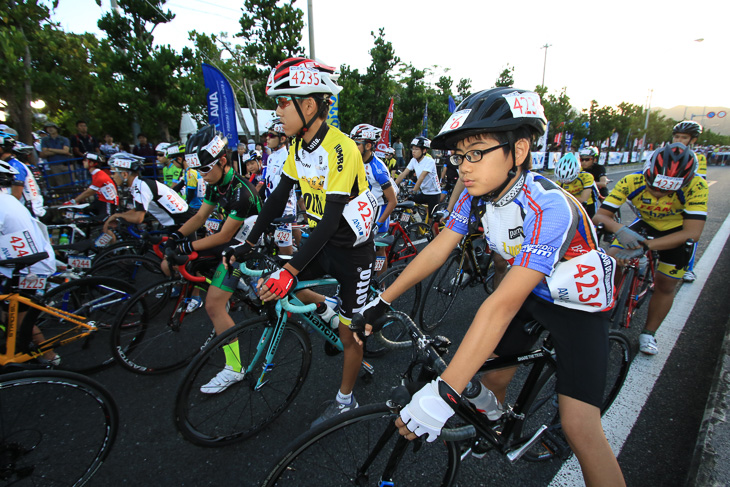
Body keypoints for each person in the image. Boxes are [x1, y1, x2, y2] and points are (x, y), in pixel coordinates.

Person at [360, 87, 625, 486]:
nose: (464, 167)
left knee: (580, 427)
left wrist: (442, 393)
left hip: (577, 308)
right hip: (532, 292)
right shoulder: (478, 194)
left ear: (518, 151)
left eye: (476, 152)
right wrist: (380, 301)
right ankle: (497, 423)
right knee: (491, 380)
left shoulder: (550, 206)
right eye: (459, 155)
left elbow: (500, 305)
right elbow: (437, 250)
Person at [228, 57, 376, 425]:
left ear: (308, 105)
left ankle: (346, 401)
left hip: (352, 254)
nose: (278, 111)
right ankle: (327, 307)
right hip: (321, 243)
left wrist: (291, 269)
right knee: (279, 282)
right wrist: (247, 242)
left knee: (349, 335)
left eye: (282, 102)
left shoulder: (341, 148)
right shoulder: (298, 147)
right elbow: (278, 196)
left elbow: (330, 219)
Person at [594, 143, 707, 356]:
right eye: (654, 186)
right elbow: (600, 216)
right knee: (610, 260)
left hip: (676, 230)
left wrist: (647, 246)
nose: (659, 193)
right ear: (647, 172)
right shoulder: (631, 181)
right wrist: (619, 230)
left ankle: (648, 332)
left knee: (666, 284)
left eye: (667, 190)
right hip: (644, 224)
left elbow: (692, 233)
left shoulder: (697, 186)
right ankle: (607, 304)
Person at [164, 125, 262, 319]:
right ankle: (230, 290)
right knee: (167, 264)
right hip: (230, 239)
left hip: (247, 245)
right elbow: (200, 217)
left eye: (205, 169)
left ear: (223, 161)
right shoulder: (215, 182)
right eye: (198, 170)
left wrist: (186, 246)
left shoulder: (241, 192)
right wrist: (177, 236)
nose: (202, 175)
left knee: (213, 306)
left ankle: (239, 289)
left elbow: (224, 236)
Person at [0, 159, 58, 364]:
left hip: (29, 268)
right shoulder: (8, 200)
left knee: (20, 320)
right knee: (12, 314)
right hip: (24, 263)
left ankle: (49, 357)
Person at [103, 153, 194, 235]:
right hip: (179, 222)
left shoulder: (141, 186)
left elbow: (138, 218)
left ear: (124, 174)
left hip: (184, 223)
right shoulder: (139, 184)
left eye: (114, 172)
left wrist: (117, 216)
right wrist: (118, 216)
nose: (112, 176)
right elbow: (137, 209)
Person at [350, 123, 397, 274]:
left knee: (379, 249)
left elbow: (393, 201)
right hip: (365, 208)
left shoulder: (378, 169)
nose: (353, 147)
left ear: (368, 146)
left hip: (381, 208)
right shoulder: (356, 161)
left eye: (357, 144)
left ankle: (380, 286)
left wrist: (379, 223)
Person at [671, 121, 705, 283]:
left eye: (684, 137)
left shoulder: (699, 159)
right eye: (677, 136)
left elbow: (699, 184)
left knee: (689, 235)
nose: (679, 140)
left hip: (684, 200)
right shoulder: (663, 153)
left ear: (693, 140)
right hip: (662, 201)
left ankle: (688, 268)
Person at [261, 118, 297, 256]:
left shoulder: (286, 157)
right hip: (271, 204)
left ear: (282, 138)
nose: (267, 139)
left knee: (284, 250)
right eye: (266, 135)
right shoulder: (271, 157)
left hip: (284, 208)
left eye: (271, 136)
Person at [394, 136, 441, 219]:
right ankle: (416, 223)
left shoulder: (430, 161)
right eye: (413, 149)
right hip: (424, 193)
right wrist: (393, 186)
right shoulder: (413, 160)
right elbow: (403, 174)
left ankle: (435, 230)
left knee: (432, 221)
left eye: (416, 149)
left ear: (424, 150)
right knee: (407, 204)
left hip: (433, 194)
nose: (413, 151)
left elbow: (421, 178)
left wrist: (413, 192)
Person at [0, 133, 45, 218]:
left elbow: (16, 195)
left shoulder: (15, 166)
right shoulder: (7, 165)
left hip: (26, 213)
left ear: (2, 148)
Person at [64, 153, 118, 220]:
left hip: (108, 204)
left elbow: (89, 192)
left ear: (92, 163)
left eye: (85, 160)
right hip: (101, 202)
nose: (83, 162)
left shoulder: (99, 176)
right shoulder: (97, 174)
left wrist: (73, 201)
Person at [555, 152, 599, 217]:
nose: (566, 183)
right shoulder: (558, 183)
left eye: (569, 181)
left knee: (590, 223)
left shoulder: (586, 177)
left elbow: (583, 199)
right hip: (570, 204)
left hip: (588, 204)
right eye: (564, 182)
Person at [39, 121, 72, 187]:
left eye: (52, 127)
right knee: (60, 184)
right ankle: (64, 197)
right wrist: (60, 151)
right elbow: (45, 152)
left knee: (70, 182)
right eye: (48, 128)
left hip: (66, 164)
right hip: (54, 165)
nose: (50, 129)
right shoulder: (45, 140)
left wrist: (50, 149)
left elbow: (65, 151)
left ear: (56, 128)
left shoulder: (64, 139)